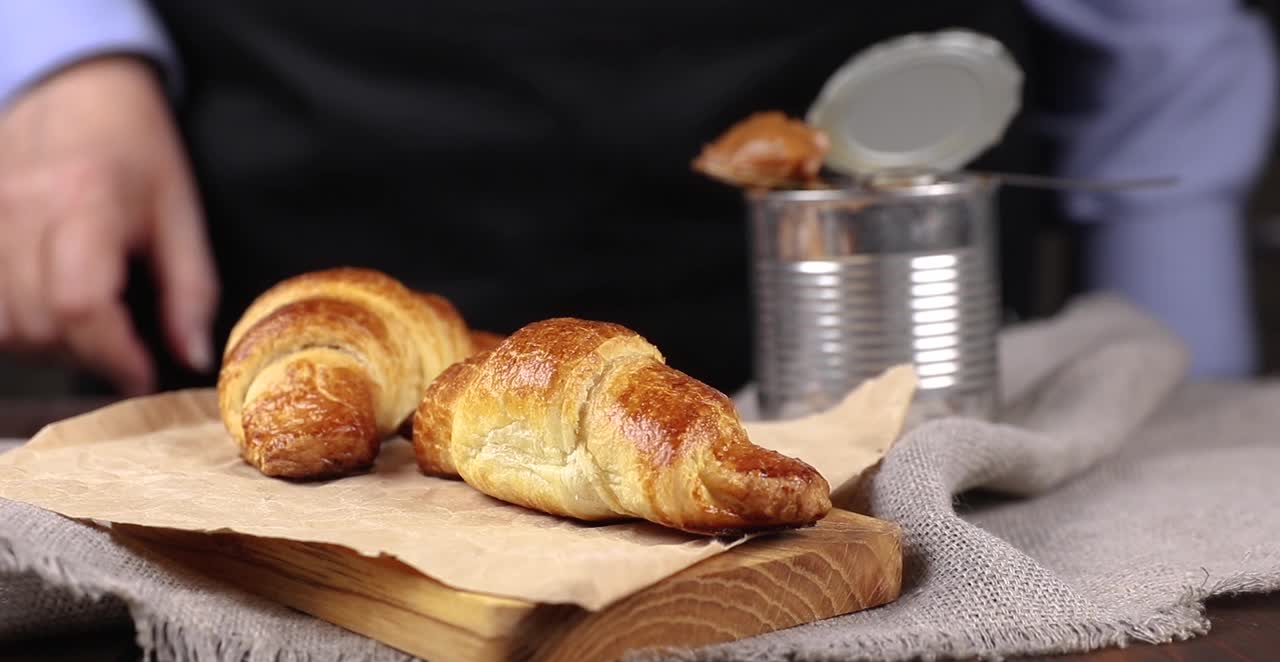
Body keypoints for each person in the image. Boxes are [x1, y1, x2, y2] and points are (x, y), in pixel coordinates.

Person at [0, 1, 1274, 398]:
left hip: (912, 468)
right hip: (257, 350)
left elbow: (1153, 34)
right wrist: (49, 50)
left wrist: (1177, 374)